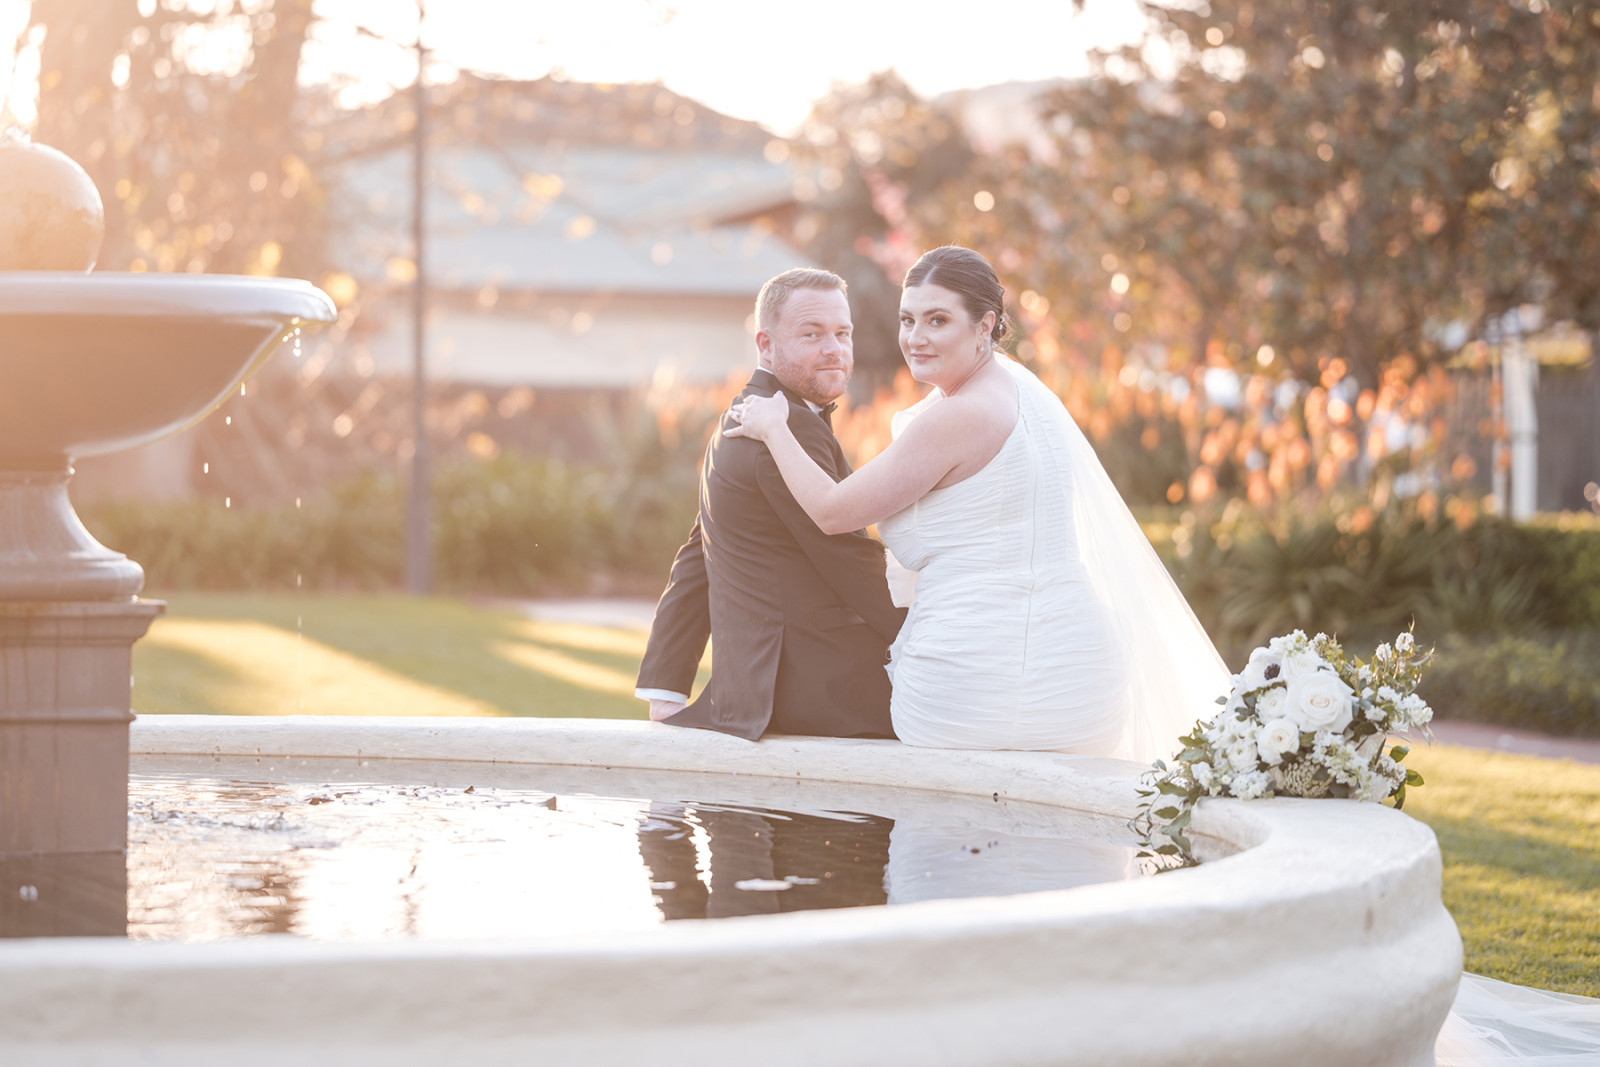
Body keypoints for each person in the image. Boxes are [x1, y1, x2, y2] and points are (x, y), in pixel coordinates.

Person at [726, 246, 1228, 762]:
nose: (915, 338)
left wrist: (775, 428)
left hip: (979, 681)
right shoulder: (1026, 395)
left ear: (984, 326)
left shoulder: (957, 418)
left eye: (938, 320)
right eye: (907, 319)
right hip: (1084, 677)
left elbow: (832, 512)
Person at [634, 267, 904, 741]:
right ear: (765, 345)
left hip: (755, 689)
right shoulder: (784, 425)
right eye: (811, 334)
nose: (834, 349)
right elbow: (849, 559)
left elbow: (701, 552)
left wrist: (666, 685)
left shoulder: (741, 415)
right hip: (815, 690)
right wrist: (932, 635)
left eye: (843, 333)